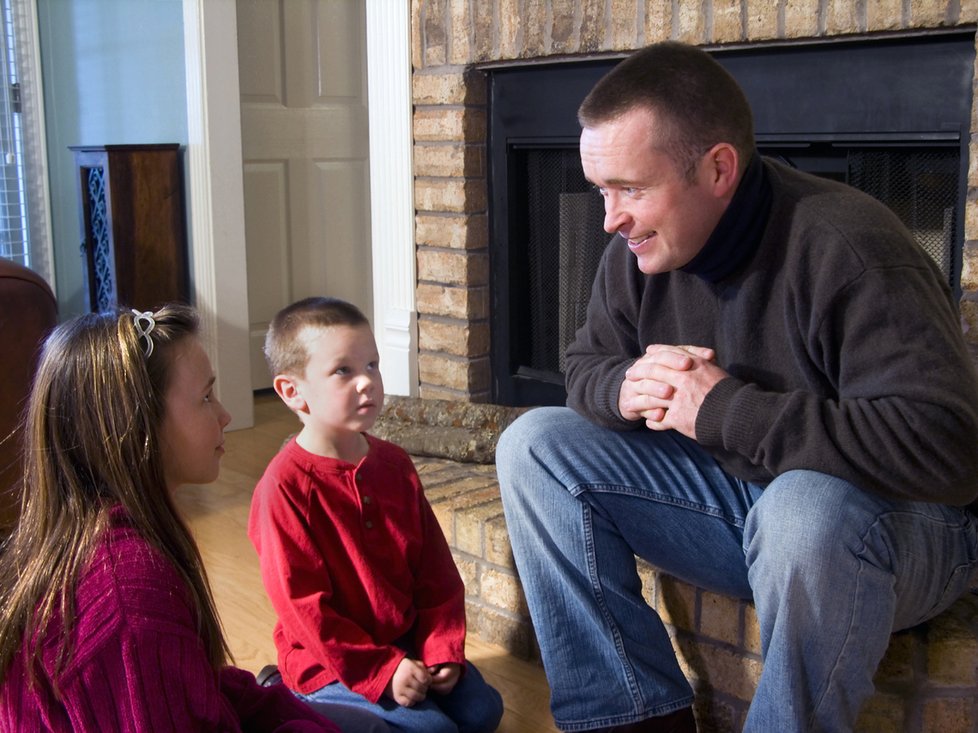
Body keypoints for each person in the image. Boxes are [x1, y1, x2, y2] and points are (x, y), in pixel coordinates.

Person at [496, 41, 978, 733]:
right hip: (749, 505)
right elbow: (585, 366)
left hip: (904, 530)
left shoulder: (849, 248)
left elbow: (950, 451)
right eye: (602, 190)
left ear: (718, 168)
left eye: (631, 188)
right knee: (535, 445)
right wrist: (624, 386)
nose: (610, 218)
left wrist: (726, 410)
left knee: (802, 509)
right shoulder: (639, 253)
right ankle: (629, 718)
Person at [0, 304, 383, 732]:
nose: (225, 415)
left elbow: (200, 681)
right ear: (138, 425)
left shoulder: (121, 535)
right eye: (205, 397)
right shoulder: (129, 590)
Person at [249, 297, 504, 733]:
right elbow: (305, 611)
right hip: (327, 659)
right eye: (343, 371)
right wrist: (383, 671)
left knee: (483, 712)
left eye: (372, 365)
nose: (366, 382)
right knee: (434, 731)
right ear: (292, 392)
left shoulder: (395, 464)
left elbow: (435, 571)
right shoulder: (283, 489)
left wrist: (442, 648)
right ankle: (285, 696)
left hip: (401, 642)